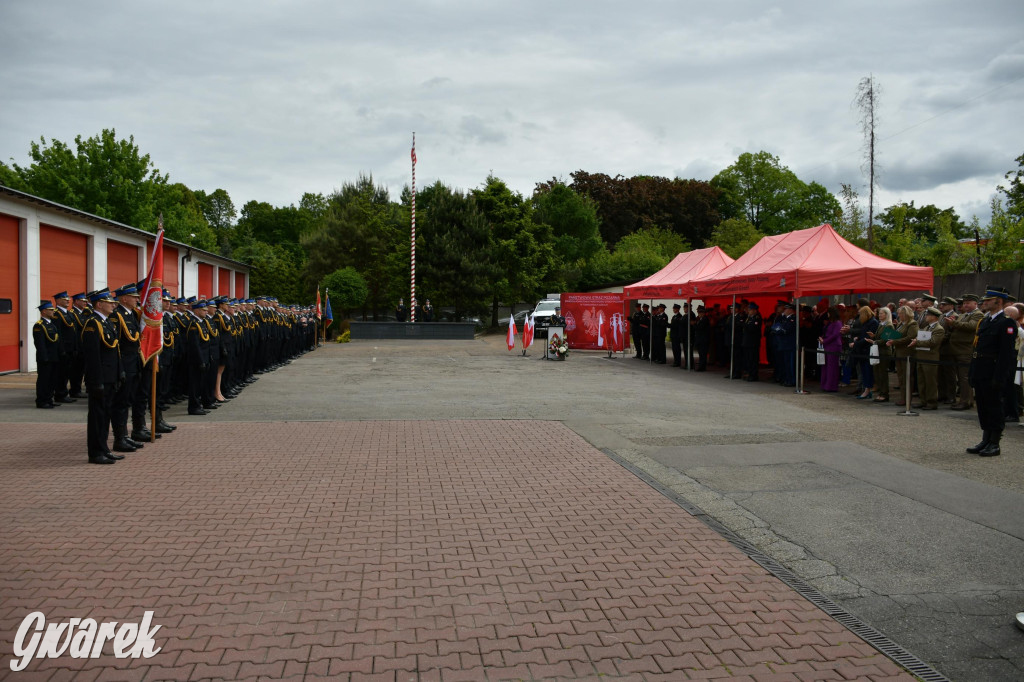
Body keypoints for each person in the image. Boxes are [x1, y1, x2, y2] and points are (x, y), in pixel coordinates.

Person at [966, 286, 1018, 456]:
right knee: (982, 406)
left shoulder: (1006, 322)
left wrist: (1000, 377)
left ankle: (995, 442)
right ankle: (985, 438)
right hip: (981, 370)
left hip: (993, 371)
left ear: (999, 301)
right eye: (985, 300)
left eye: (989, 300)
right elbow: (977, 349)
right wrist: (972, 371)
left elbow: (1006, 354)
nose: (985, 302)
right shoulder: (986, 321)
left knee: (994, 406)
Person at [81, 289, 123, 464]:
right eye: (108, 302)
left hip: (110, 377)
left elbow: (115, 350)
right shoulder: (93, 324)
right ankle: (96, 452)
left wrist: (119, 372)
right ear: (99, 304)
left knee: (105, 415)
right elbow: (92, 357)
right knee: (97, 416)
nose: (113, 304)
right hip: (100, 379)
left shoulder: (106, 323)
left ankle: (104, 448)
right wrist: (96, 381)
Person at [949, 294, 984, 410]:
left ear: (975, 304)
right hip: (957, 349)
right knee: (960, 377)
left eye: (968, 303)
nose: (965, 305)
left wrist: (954, 323)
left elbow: (971, 326)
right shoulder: (963, 315)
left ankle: (966, 401)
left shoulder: (978, 314)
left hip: (965, 349)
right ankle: (963, 399)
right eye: (964, 303)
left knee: (965, 377)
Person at [913, 307, 945, 409]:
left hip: (930, 358)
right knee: (921, 382)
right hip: (921, 356)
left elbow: (933, 342)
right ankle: (923, 400)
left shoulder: (939, 329)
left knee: (930, 382)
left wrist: (917, 342)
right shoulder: (926, 328)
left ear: (934, 317)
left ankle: (931, 402)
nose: (926, 317)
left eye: (928, 315)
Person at [886, 306, 919, 406]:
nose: (899, 315)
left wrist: (894, 341)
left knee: (907, 376)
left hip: (907, 352)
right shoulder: (901, 323)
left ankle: (907, 398)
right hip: (899, 352)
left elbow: (910, 337)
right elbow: (897, 334)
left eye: (900, 313)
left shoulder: (912, 323)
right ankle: (902, 397)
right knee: (901, 376)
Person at [33, 301, 62, 408]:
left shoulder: (51, 324)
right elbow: (40, 344)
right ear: (44, 311)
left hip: (54, 358)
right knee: (44, 380)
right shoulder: (39, 325)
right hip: (46, 359)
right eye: (50, 310)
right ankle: (41, 401)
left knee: (52, 380)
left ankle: (49, 399)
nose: (53, 311)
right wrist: (44, 357)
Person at [51, 291, 78, 403]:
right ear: (57, 301)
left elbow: (74, 332)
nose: (67, 300)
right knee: (61, 373)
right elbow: (59, 334)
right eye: (64, 298)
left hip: (71, 348)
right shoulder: (56, 314)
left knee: (67, 372)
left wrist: (75, 347)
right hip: (64, 349)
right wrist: (61, 349)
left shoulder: (69, 314)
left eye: (68, 298)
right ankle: (60, 394)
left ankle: (64, 393)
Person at [871, 306, 900, 402]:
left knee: (883, 374)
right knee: (877, 373)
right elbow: (880, 336)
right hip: (878, 350)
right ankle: (881, 392)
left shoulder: (889, 325)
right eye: (879, 313)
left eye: (881, 313)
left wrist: (874, 341)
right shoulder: (881, 324)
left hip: (884, 352)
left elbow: (885, 339)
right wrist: (874, 336)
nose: (879, 315)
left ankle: (884, 393)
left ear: (887, 315)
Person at [851, 306, 879, 399]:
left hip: (867, 350)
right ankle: (866, 389)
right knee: (864, 371)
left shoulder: (873, 322)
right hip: (862, 350)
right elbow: (863, 335)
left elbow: (867, 337)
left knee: (867, 371)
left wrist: (856, 343)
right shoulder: (866, 322)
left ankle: (868, 389)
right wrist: (857, 339)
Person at [818, 307, 842, 392]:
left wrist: (824, 341)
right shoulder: (830, 323)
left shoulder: (838, 323)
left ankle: (831, 386)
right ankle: (825, 384)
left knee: (832, 368)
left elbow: (835, 335)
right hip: (827, 345)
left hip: (834, 346)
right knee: (825, 367)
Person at [741, 301, 763, 381]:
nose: (748, 311)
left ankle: (753, 375)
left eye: (750, 310)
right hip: (747, 342)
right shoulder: (749, 318)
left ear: (754, 310)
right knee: (748, 359)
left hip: (753, 343)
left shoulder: (757, 318)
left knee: (753, 359)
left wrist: (745, 325)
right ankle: (750, 373)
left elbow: (752, 329)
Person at [692, 305, 710, 371]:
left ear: (703, 313)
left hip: (703, 340)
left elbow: (700, 328)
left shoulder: (705, 319)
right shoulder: (700, 319)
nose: (698, 314)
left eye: (700, 313)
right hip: (700, 339)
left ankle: (702, 367)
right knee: (701, 354)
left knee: (703, 354)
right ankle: (701, 366)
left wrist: (694, 324)